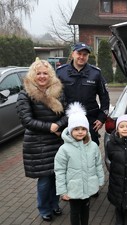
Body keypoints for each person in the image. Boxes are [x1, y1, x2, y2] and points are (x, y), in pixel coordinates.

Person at [16, 59, 68, 221]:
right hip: (38, 143)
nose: (42, 76)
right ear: (33, 75)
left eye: (45, 73)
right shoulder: (25, 94)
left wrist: (58, 125)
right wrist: (50, 127)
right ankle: (44, 208)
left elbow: (67, 114)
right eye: (38, 73)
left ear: (50, 74)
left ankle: (54, 204)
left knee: (55, 176)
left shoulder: (58, 91)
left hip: (56, 141)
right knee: (45, 179)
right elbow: (27, 120)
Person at [54, 102, 105, 225]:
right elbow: (60, 171)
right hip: (73, 188)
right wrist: (63, 191)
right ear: (70, 130)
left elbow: (98, 164)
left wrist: (99, 180)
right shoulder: (64, 149)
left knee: (86, 210)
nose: (80, 132)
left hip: (88, 186)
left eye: (83, 129)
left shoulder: (92, 146)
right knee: (75, 212)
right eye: (76, 129)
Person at [56, 42, 110, 146]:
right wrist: (56, 121)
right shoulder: (60, 72)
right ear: (73, 54)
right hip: (67, 119)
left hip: (90, 120)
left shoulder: (96, 73)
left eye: (85, 54)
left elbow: (104, 97)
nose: (81, 57)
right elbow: (53, 97)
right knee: (68, 150)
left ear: (88, 56)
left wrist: (101, 118)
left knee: (91, 149)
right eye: (79, 53)